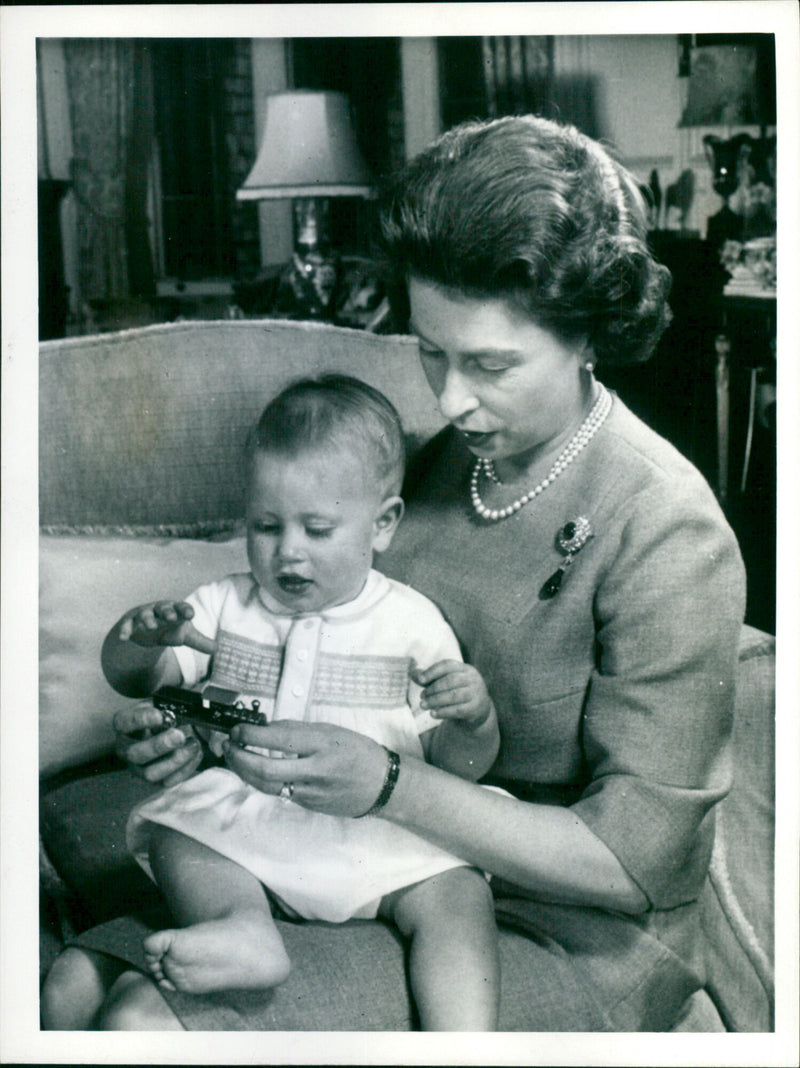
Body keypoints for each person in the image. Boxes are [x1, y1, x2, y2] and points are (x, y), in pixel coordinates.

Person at [43, 115, 746, 1032]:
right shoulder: (435, 460)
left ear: (587, 335)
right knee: (69, 988)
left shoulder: (667, 527)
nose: (450, 399)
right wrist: (201, 727)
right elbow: (304, 646)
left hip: (555, 924)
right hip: (357, 846)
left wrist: (387, 785)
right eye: (431, 351)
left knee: (141, 1016)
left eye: (491, 364)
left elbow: (634, 867)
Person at [42, 375, 501, 1031]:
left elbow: (459, 770)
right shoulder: (226, 606)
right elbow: (143, 679)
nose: (288, 551)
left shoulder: (411, 624)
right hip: (257, 825)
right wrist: (136, 642)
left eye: (317, 529)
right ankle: (241, 929)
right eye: (265, 525)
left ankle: (463, 1040)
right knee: (180, 829)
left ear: (383, 525)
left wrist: (473, 719)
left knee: (457, 894)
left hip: (380, 833)